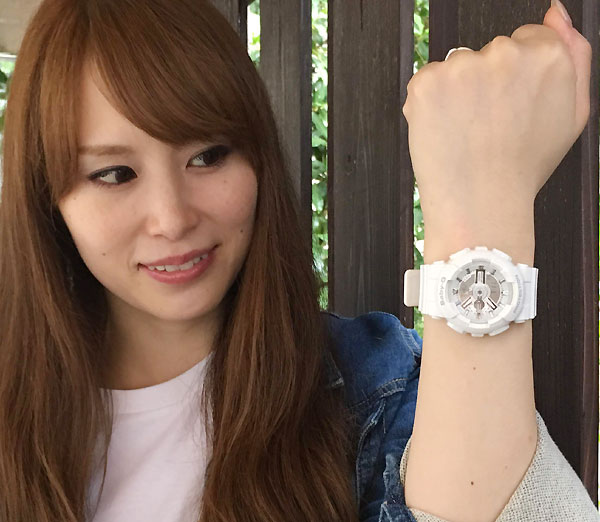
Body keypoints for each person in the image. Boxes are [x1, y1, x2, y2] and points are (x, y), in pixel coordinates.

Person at [0, 0, 595, 521]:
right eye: (113, 174)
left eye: (208, 156)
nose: (171, 218)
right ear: (46, 195)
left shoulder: (375, 389)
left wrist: (483, 205)